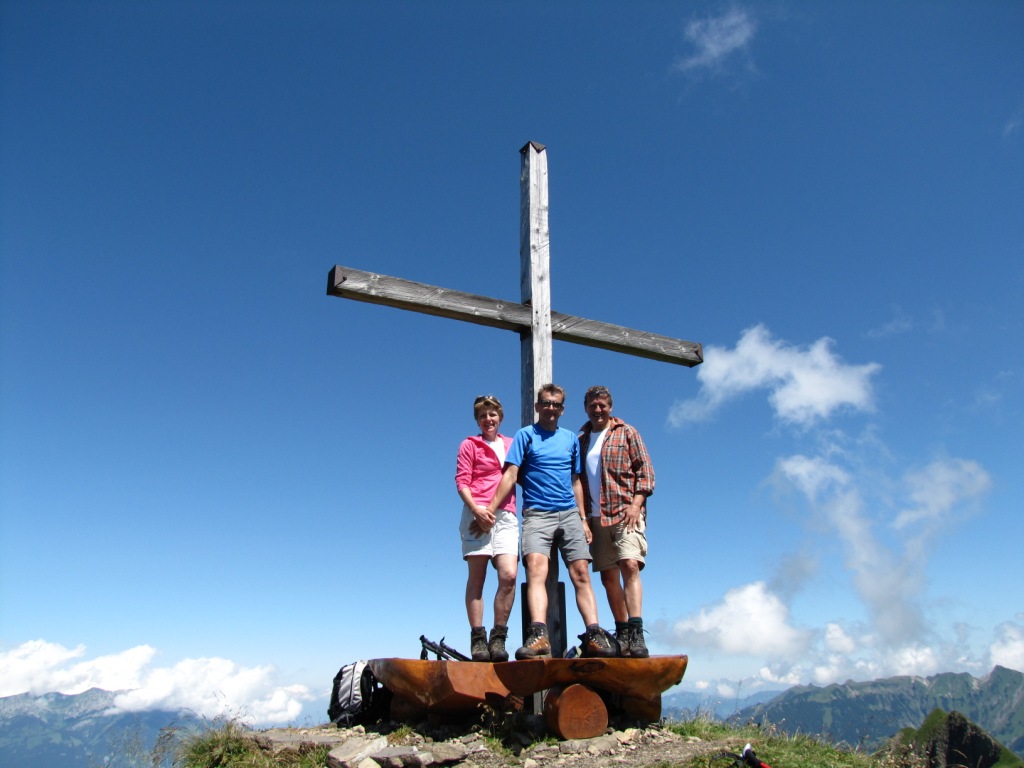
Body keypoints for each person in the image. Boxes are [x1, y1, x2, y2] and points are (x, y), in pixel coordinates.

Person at [485, 384, 617, 660]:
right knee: (536, 571)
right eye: (546, 403)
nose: (551, 408)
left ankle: (594, 633)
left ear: (562, 409)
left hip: (569, 513)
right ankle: (539, 635)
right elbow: (511, 474)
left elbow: (575, 481)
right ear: (537, 406)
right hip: (537, 514)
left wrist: (583, 519)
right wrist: (490, 509)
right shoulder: (525, 435)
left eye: (556, 404)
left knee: (581, 572)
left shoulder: (570, 439)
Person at [577, 385, 655, 658]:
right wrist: (583, 519)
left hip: (625, 512)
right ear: (586, 408)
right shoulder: (581, 439)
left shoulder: (627, 432)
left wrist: (636, 505)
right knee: (608, 576)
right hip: (596, 517)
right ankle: (622, 632)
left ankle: (636, 631)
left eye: (602, 405)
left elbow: (645, 472)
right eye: (592, 405)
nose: (597, 410)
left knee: (630, 565)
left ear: (610, 407)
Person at [455, 395, 518, 662]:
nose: (488, 419)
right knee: (477, 578)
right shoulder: (470, 444)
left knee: (509, 575)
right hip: (476, 514)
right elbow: (462, 481)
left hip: (505, 514)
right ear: (477, 420)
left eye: (492, 414)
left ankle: (498, 636)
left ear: (500, 417)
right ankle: (478, 638)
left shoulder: (512, 444)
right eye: (482, 415)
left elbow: (518, 474)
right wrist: (477, 510)